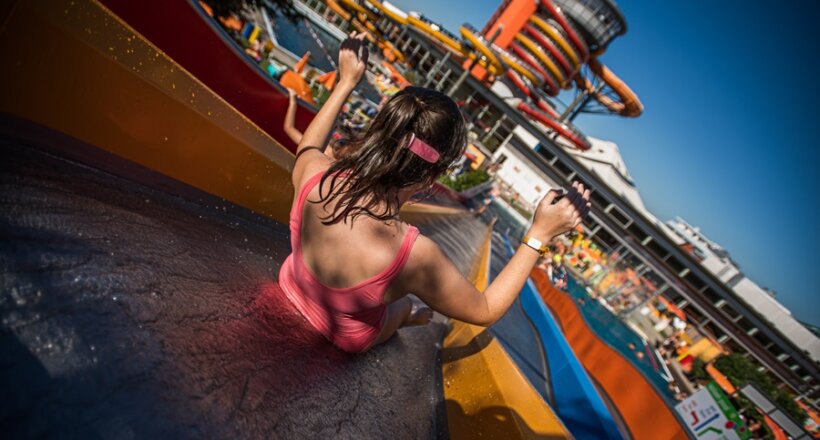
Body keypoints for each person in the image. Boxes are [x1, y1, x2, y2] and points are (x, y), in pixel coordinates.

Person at [278, 33, 591, 353]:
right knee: (398, 308)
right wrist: (539, 234)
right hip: (346, 336)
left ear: (377, 131)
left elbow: (309, 145)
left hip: (289, 284)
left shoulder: (316, 173)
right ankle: (405, 317)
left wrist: (346, 83)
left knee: (391, 298)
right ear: (433, 176)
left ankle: (402, 313)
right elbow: (484, 310)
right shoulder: (413, 255)